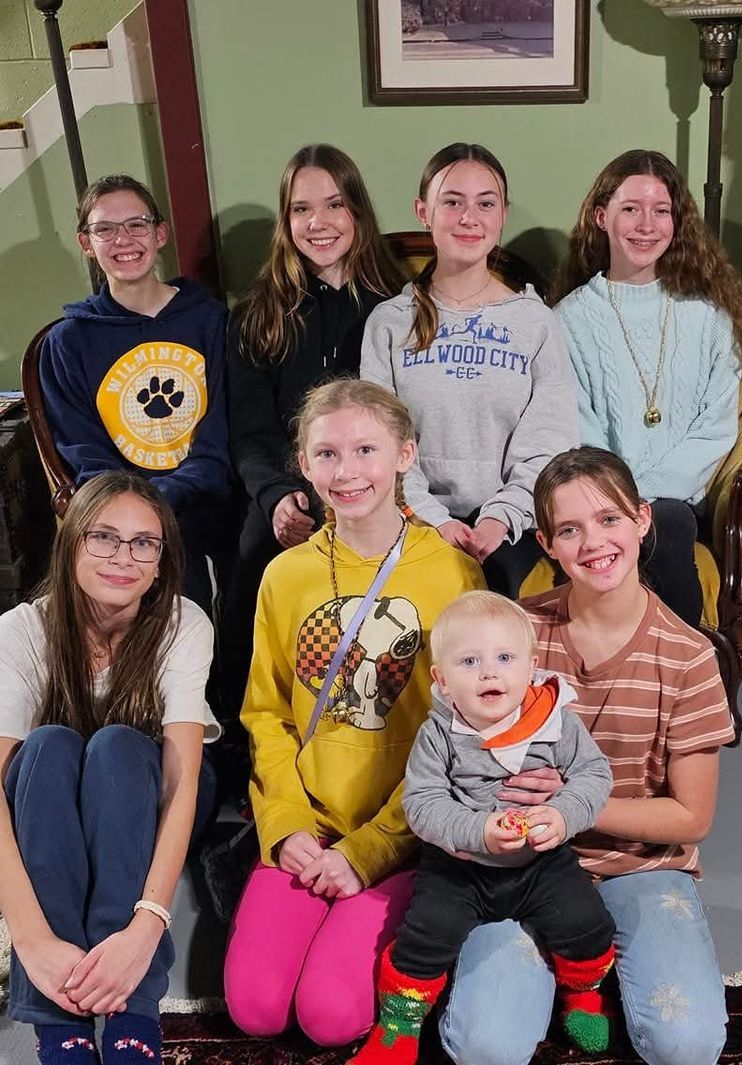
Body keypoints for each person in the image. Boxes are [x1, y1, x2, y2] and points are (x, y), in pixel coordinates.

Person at [438, 447, 735, 1065]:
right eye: (569, 529)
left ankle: (585, 972)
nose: (592, 542)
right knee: (484, 1046)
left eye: (609, 520)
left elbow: (690, 818)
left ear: (643, 520)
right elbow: (460, 759)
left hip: (641, 867)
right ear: (546, 542)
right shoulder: (513, 635)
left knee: (688, 1044)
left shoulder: (689, 657)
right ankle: (566, 975)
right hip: (517, 865)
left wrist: (569, 809)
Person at [226, 378, 485, 1046]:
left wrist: (371, 849)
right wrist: (285, 826)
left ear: (405, 454)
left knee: (332, 1016)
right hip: (307, 824)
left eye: (366, 448)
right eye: (327, 454)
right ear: (305, 467)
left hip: (404, 833)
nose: (347, 472)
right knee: (256, 1008)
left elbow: (466, 735)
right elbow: (265, 713)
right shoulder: (285, 575)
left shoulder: (454, 575)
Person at [0, 471, 219, 1065]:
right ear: (71, 543)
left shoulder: (184, 624)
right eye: (103, 538)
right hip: (55, 794)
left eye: (144, 543)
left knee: (114, 745)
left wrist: (145, 928)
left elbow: (182, 781)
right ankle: (63, 1032)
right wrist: (32, 941)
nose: (123, 557)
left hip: (153, 788)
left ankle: (134, 1024)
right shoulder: (19, 632)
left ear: (161, 561)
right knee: (51, 744)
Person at [352, 591, 617, 1065]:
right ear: (443, 680)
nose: (489, 672)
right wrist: (479, 831)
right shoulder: (438, 734)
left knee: (588, 923)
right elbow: (423, 804)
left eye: (505, 658)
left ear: (531, 666)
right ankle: (399, 1026)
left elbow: (595, 777)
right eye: (469, 661)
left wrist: (561, 816)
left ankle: (584, 994)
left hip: (540, 861)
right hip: (460, 866)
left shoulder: (557, 722)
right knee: (425, 935)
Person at [220, 145, 405, 742]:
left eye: (334, 205)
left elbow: (408, 417)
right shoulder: (258, 314)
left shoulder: (398, 304)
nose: (318, 223)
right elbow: (249, 433)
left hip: (378, 483)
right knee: (254, 549)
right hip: (290, 481)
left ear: (358, 211)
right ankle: (243, 735)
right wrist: (277, 495)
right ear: (286, 220)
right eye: (302, 209)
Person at [549, 150, 742, 629]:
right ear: (602, 218)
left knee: (669, 523)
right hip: (598, 498)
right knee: (636, 528)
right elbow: (578, 424)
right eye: (630, 209)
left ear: (676, 222)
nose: (646, 225)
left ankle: (682, 680)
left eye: (661, 211)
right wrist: (621, 504)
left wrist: (646, 499)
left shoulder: (708, 317)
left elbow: (715, 426)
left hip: (677, 500)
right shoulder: (569, 320)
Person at [360, 142, 579, 599]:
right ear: (424, 210)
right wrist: (432, 518)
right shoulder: (389, 321)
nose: (469, 217)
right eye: (452, 202)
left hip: (507, 521)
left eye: (486, 203)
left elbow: (550, 440)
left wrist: (503, 515)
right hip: (413, 514)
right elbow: (378, 441)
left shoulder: (535, 322)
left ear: (503, 214)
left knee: (491, 597)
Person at [39, 174, 230, 612]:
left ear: (160, 234)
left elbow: (220, 432)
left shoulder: (210, 321)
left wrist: (171, 494)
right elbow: (84, 452)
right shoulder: (69, 342)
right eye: (105, 229)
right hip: (122, 515)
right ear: (87, 243)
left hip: (208, 498)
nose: (123, 240)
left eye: (137, 225)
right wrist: (139, 505)